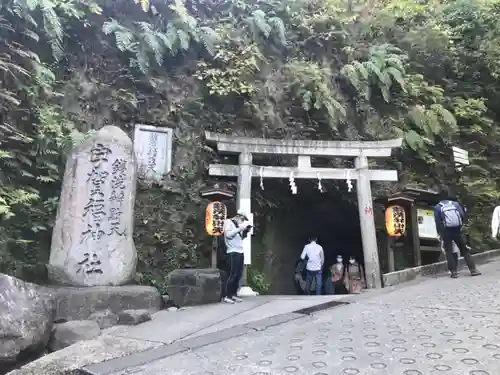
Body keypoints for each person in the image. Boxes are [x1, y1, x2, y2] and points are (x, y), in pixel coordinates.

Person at [434, 191, 481, 278]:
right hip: (457, 230)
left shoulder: (438, 207)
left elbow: (437, 221)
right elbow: (462, 214)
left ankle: (454, 272)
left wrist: (439, 233)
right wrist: (460, 226)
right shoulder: (455, 204)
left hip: (446, 231)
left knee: (449, 251)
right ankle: (473, 270)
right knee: (464, 249)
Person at [222, 210, 252, 304]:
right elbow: (228, 235)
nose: (243, 221)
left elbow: (239, 238)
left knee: (238, 274)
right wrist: (240, 228)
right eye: (242, 219)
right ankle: (227, 295)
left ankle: (234, 294)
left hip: (240, 251)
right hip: (232, 252)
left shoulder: (237, 226)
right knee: (232, 274)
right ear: (238, 217)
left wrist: (245, 231)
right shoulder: (228, 222)